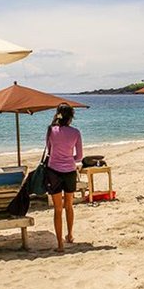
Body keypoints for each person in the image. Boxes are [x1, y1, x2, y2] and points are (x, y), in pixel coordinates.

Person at [45, 103, 83, 252]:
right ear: (71, 116)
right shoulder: (76, 132)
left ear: (57, 114)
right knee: (69, 205)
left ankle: (60, 245)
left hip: (53, 171)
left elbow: (49, 150)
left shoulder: (50, 130)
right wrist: (69, 159)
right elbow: (79, 156)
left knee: (58, 209)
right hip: (70, 172)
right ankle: (70, 235)